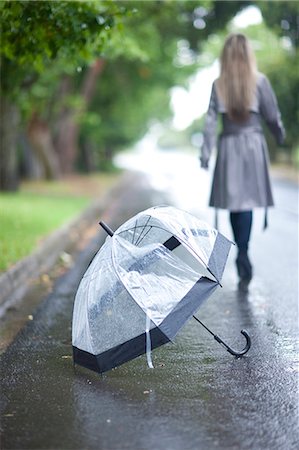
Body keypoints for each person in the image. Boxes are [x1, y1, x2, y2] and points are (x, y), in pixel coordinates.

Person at [200, 33, 285, 285]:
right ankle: (244, 251)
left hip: (228, 147)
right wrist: (280, 136)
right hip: (253, 146)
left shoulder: (218, 84)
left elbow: (210, 123)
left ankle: (242, 251)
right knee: (245, 202)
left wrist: (205, 154)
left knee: (236, 203)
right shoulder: (260, 82)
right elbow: (272, 115)